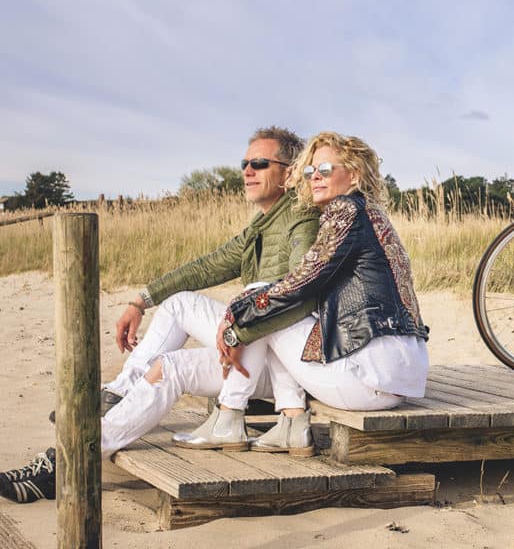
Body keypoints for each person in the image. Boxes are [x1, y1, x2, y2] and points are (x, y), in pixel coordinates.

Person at [1, 126, 320, 504]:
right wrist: (141, 300)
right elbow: (208, 266)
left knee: (187, 306)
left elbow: (299, 288)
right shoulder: (260, 227)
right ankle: (82, 441)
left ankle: (70, 456)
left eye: (260, 163)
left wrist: (238, 326)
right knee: (169, 354)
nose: (247, 171)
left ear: (289, 172)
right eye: (245, 163)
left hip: (281, 363)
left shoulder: (303, 219)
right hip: (250, 356)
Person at [208, 131, 430, 454]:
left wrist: (235, 319)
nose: (315, 178)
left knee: (260, 296)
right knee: (268, 304)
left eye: (325, 170)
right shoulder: (372, 214)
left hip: (368, 381)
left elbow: (300, 283)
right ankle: (287, 424)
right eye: (310, 172)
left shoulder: (345, 211)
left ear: (353, 174)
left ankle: (232, 415)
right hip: (397, 378)